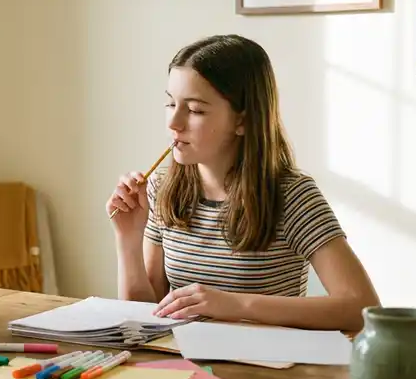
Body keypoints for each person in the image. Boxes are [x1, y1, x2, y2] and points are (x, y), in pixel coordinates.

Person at [106, 34, 379, 332]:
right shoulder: (162, 190)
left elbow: (362, 307)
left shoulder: (291, 196)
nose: (174, 122)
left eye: (195, 110)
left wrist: (238, 305)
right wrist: (128, 239)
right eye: (171, 104)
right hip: (187, 364)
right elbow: (147, 315)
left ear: (242, 121)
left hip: (268, 370)